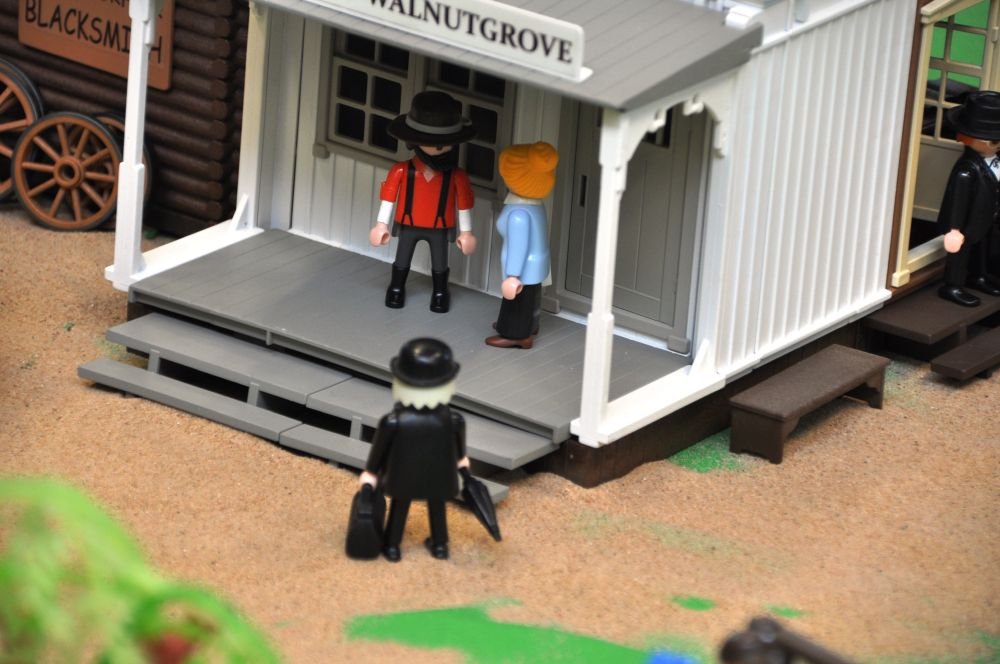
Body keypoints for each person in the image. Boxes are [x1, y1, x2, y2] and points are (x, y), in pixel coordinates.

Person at [359, 338, 470, 562]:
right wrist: (464, 469)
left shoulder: (393, 421)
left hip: (403, 477)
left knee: (400, 506)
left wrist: (370, 473)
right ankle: (440, 546)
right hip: (440, 477)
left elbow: (379, 451)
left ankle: (392, 546)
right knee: (437, 507)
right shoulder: (454, 420)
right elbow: (460, 454)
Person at [369, 91, 478, 313]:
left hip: (439, 227)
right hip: (408, 224)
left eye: (443, 143)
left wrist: (466, 232)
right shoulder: (402, 170)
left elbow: (464, 204)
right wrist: (381, 224)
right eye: (433, 142)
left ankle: (440, 292)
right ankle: (396, 287)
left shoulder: (455, 176)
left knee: (440, 262)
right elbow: (388, 197)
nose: (439, 148)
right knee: (402, 258)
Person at [485, 142, 559, 349]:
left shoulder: (518, 214)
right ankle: (530, 325)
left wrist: (513, 276)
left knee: (516, 302)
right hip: (538, 262)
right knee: (531, 299)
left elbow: (519, 247)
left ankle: (515, 334)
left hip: (523, 268)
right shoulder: (535, 205)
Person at [936, 90, 1000, 307]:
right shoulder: (967, 169)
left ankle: (978, 276)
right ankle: (952, 284)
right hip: (965, 221)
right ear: (968, 139)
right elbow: (957, 199)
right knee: (960, 253)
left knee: (982, 247)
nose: (998, 145)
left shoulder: (993, 161)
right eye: (993, 141)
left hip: (986, 217)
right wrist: (954, 229)